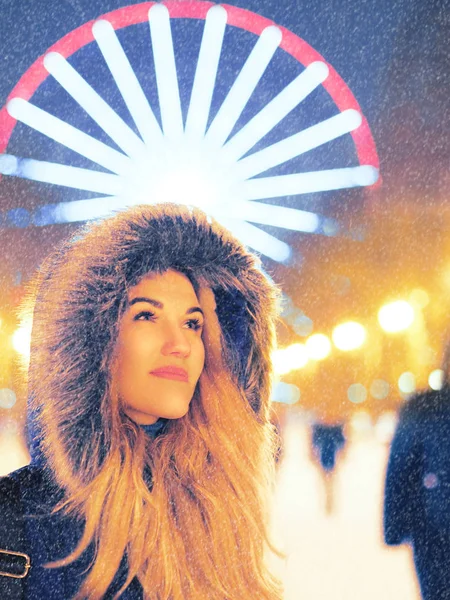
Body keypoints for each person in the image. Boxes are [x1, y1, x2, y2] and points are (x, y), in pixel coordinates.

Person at [0, 203, 284, 600]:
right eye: (147, 316)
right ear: (88, 343)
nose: (181, 344)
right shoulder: (15, 522)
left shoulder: (219, 512)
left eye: (193, 323)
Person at [384, 348, 450, 599]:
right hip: (434, 532)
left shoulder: (423, 408)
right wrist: (396, 524)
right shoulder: (425, 408)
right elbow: (401, 468)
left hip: (432, 527)